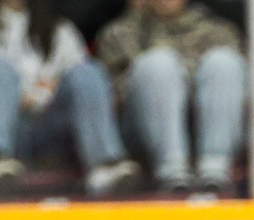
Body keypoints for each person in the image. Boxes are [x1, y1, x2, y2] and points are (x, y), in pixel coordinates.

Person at [0, 0, 142, 198]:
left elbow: (80, 89)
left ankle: (105, 166)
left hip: (45, 128)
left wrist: (38, 96)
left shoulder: (61, 30)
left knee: (86, 72)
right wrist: (15, 95)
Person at [96, 0, 244, 193]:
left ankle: (215, 173)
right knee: (158, 64)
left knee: (223, 62)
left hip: (209, 127)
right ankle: (172, 175)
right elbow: (112, 95)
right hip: (142, 130)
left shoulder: (218, 31)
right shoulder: (119, 33)